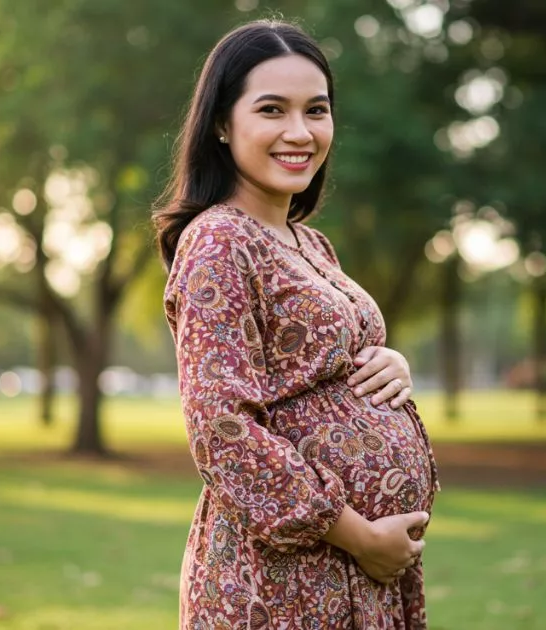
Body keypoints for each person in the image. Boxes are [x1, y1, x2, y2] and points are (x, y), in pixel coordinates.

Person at [153, 19, 440, 629]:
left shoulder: (309, 243)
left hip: (355, 576)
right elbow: (222, 429)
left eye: (317, 110)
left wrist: (390, 362)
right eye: (272, 110)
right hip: (284, 582)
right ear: (222, 126)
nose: (299, 132)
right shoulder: (218, 241)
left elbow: (317, 370)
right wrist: (359, 536)